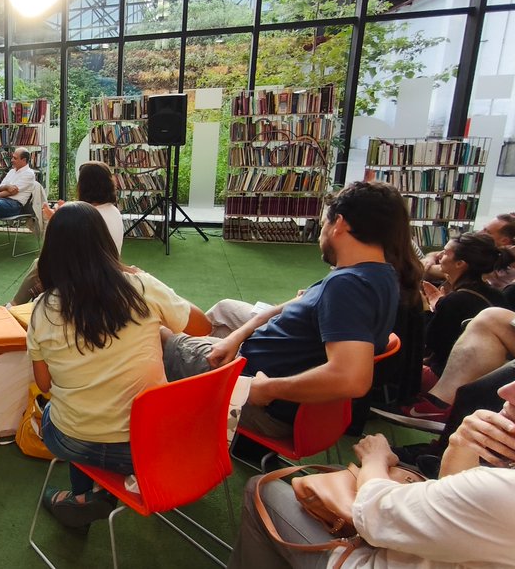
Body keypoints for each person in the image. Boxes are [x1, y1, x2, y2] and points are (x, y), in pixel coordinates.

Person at [230, 333, 515, 569]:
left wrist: (375, 458)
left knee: (261, 490)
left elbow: (373, 516)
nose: (505, 391)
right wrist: (460, 444)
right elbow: (455, 498)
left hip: (378, 555)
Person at [162, 181, 418, 440]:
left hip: (260, 399)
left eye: (323, 224)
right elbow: (301, 305)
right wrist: (238, 335)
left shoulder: (348, 286)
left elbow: (353, 378)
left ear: (339, 224)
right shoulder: (379, 274)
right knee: (215, 323)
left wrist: (267, 389)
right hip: (262, 372)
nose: (321, 234)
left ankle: (166, 428)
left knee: (158, 335)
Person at [28, 203, 194, 528]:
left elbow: (44, 384)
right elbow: (201, 326)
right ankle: (94, 495)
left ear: (52, 251)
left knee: (61, 412)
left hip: (74, 438)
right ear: (105, 243)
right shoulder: (142, 287)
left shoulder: (41, 310)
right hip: (148, 445)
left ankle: (83, 498)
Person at [376, 265, 515, 431]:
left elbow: (432, 340)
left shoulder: (459, 299)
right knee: (492, 317)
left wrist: (430, 309)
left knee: (473, 390)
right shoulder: (493, 292)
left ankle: (439, 410)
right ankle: (440, 404)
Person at [10, 161, 123, 305]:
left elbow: (54, 251)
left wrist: (55, 221)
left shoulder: (89, 215)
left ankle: (13, 306)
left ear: (84, 186)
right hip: (108, 270)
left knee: (41, 264)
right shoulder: (113, 211)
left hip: (88, 275)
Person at [420, 232, 505, 377]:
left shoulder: (455, 300)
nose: (439, 255)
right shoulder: (497, 294)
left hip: (451, 374)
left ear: (460, 264)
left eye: (445, 253)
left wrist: (426, 309)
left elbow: (432, 342)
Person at [422, 213, 515, 289]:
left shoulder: (501, 260)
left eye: (487, 231)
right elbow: (444, 253)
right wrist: (430, 258)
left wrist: (422, 265)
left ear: (504, 240)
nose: (479, 232)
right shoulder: (484, 248)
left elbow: (450, 270)